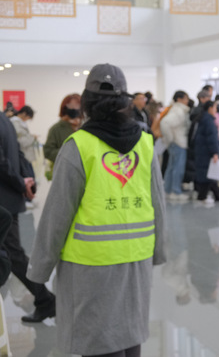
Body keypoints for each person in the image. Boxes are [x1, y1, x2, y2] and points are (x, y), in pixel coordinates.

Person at [26, 63, 166, 357]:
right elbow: (158, 203)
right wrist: (159, 250)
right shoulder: (144, 143)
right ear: (126, 101)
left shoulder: (79, 145)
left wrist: (39, 269)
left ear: (87, 102)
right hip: (137, 256)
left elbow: (57, 215)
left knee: (99, 341)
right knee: (130, 336)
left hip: (90, 264)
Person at [1, 110, 57, 323]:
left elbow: (2, 162)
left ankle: (45, 300)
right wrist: (26, 180)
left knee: (13, 255)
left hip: (4, 201)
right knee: (14, 254)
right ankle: (45, 300)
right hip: (9, 198)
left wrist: (21, 182)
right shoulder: (5, 119)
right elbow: (17, 154)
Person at [160, 90, 191, 201]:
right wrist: (170, 139)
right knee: (178, 168)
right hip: (178, 143)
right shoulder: (178, 111)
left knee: (172, 167)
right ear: (179, 99)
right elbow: (165, 123)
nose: (187, 101)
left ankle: (168, 190)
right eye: (185, 98)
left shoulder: (176, 109)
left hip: (176, 142)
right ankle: (175, 191)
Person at [192, 100, 219, 204]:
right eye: (215, 107)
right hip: (206, 152)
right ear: (210, 108)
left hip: (202, 151)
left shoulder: (203, 119)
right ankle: (206, 196)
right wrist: (215, 153)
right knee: (209, 175)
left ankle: (216, 195)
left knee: (207, 175)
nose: (216, 110)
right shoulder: (209, 121)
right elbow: (212, 138)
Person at [43, 93, 82, 167]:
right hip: (64, 168)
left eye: (78, 106)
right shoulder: (56, 129)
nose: (75, 109)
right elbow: (48, 152)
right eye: (71, 106)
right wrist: (68, 152)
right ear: (65, 108)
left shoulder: (85, 127)